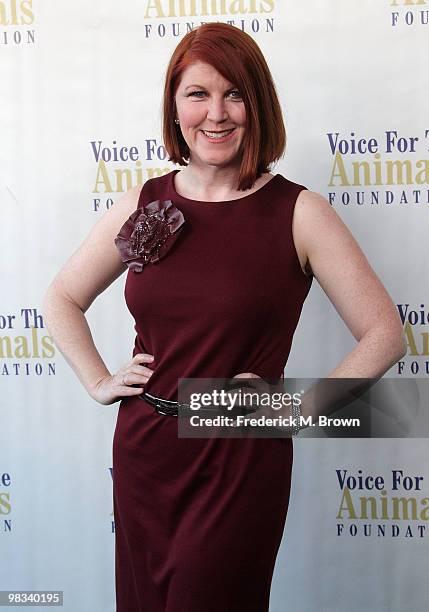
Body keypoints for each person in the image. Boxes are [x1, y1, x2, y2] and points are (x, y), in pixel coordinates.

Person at [42, 22, 406, 612]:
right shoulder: (144, 202)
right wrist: (98, 379)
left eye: (234, 93)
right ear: (174, 106)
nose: (216, 113)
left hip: (237, 448)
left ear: (257, 103)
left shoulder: (298, 211)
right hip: (144, 446)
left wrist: (294, 407)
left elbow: (386, 333)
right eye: (198, 94)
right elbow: (61, 298)